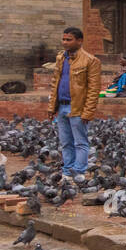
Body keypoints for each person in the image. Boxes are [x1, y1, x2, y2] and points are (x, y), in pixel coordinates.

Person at [48, 26, 101, 178]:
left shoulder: (91, 61)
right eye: (63, 39)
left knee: (80, 143)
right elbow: (55, 83)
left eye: (69, 40)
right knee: (65, 143)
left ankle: (78, 173)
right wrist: (52, 106)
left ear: (79, 41)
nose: (65, 42)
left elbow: (93, 90)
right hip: (62, 105)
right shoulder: (61, 58)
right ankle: (67, 172)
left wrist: (88, 112)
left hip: (77, 107)